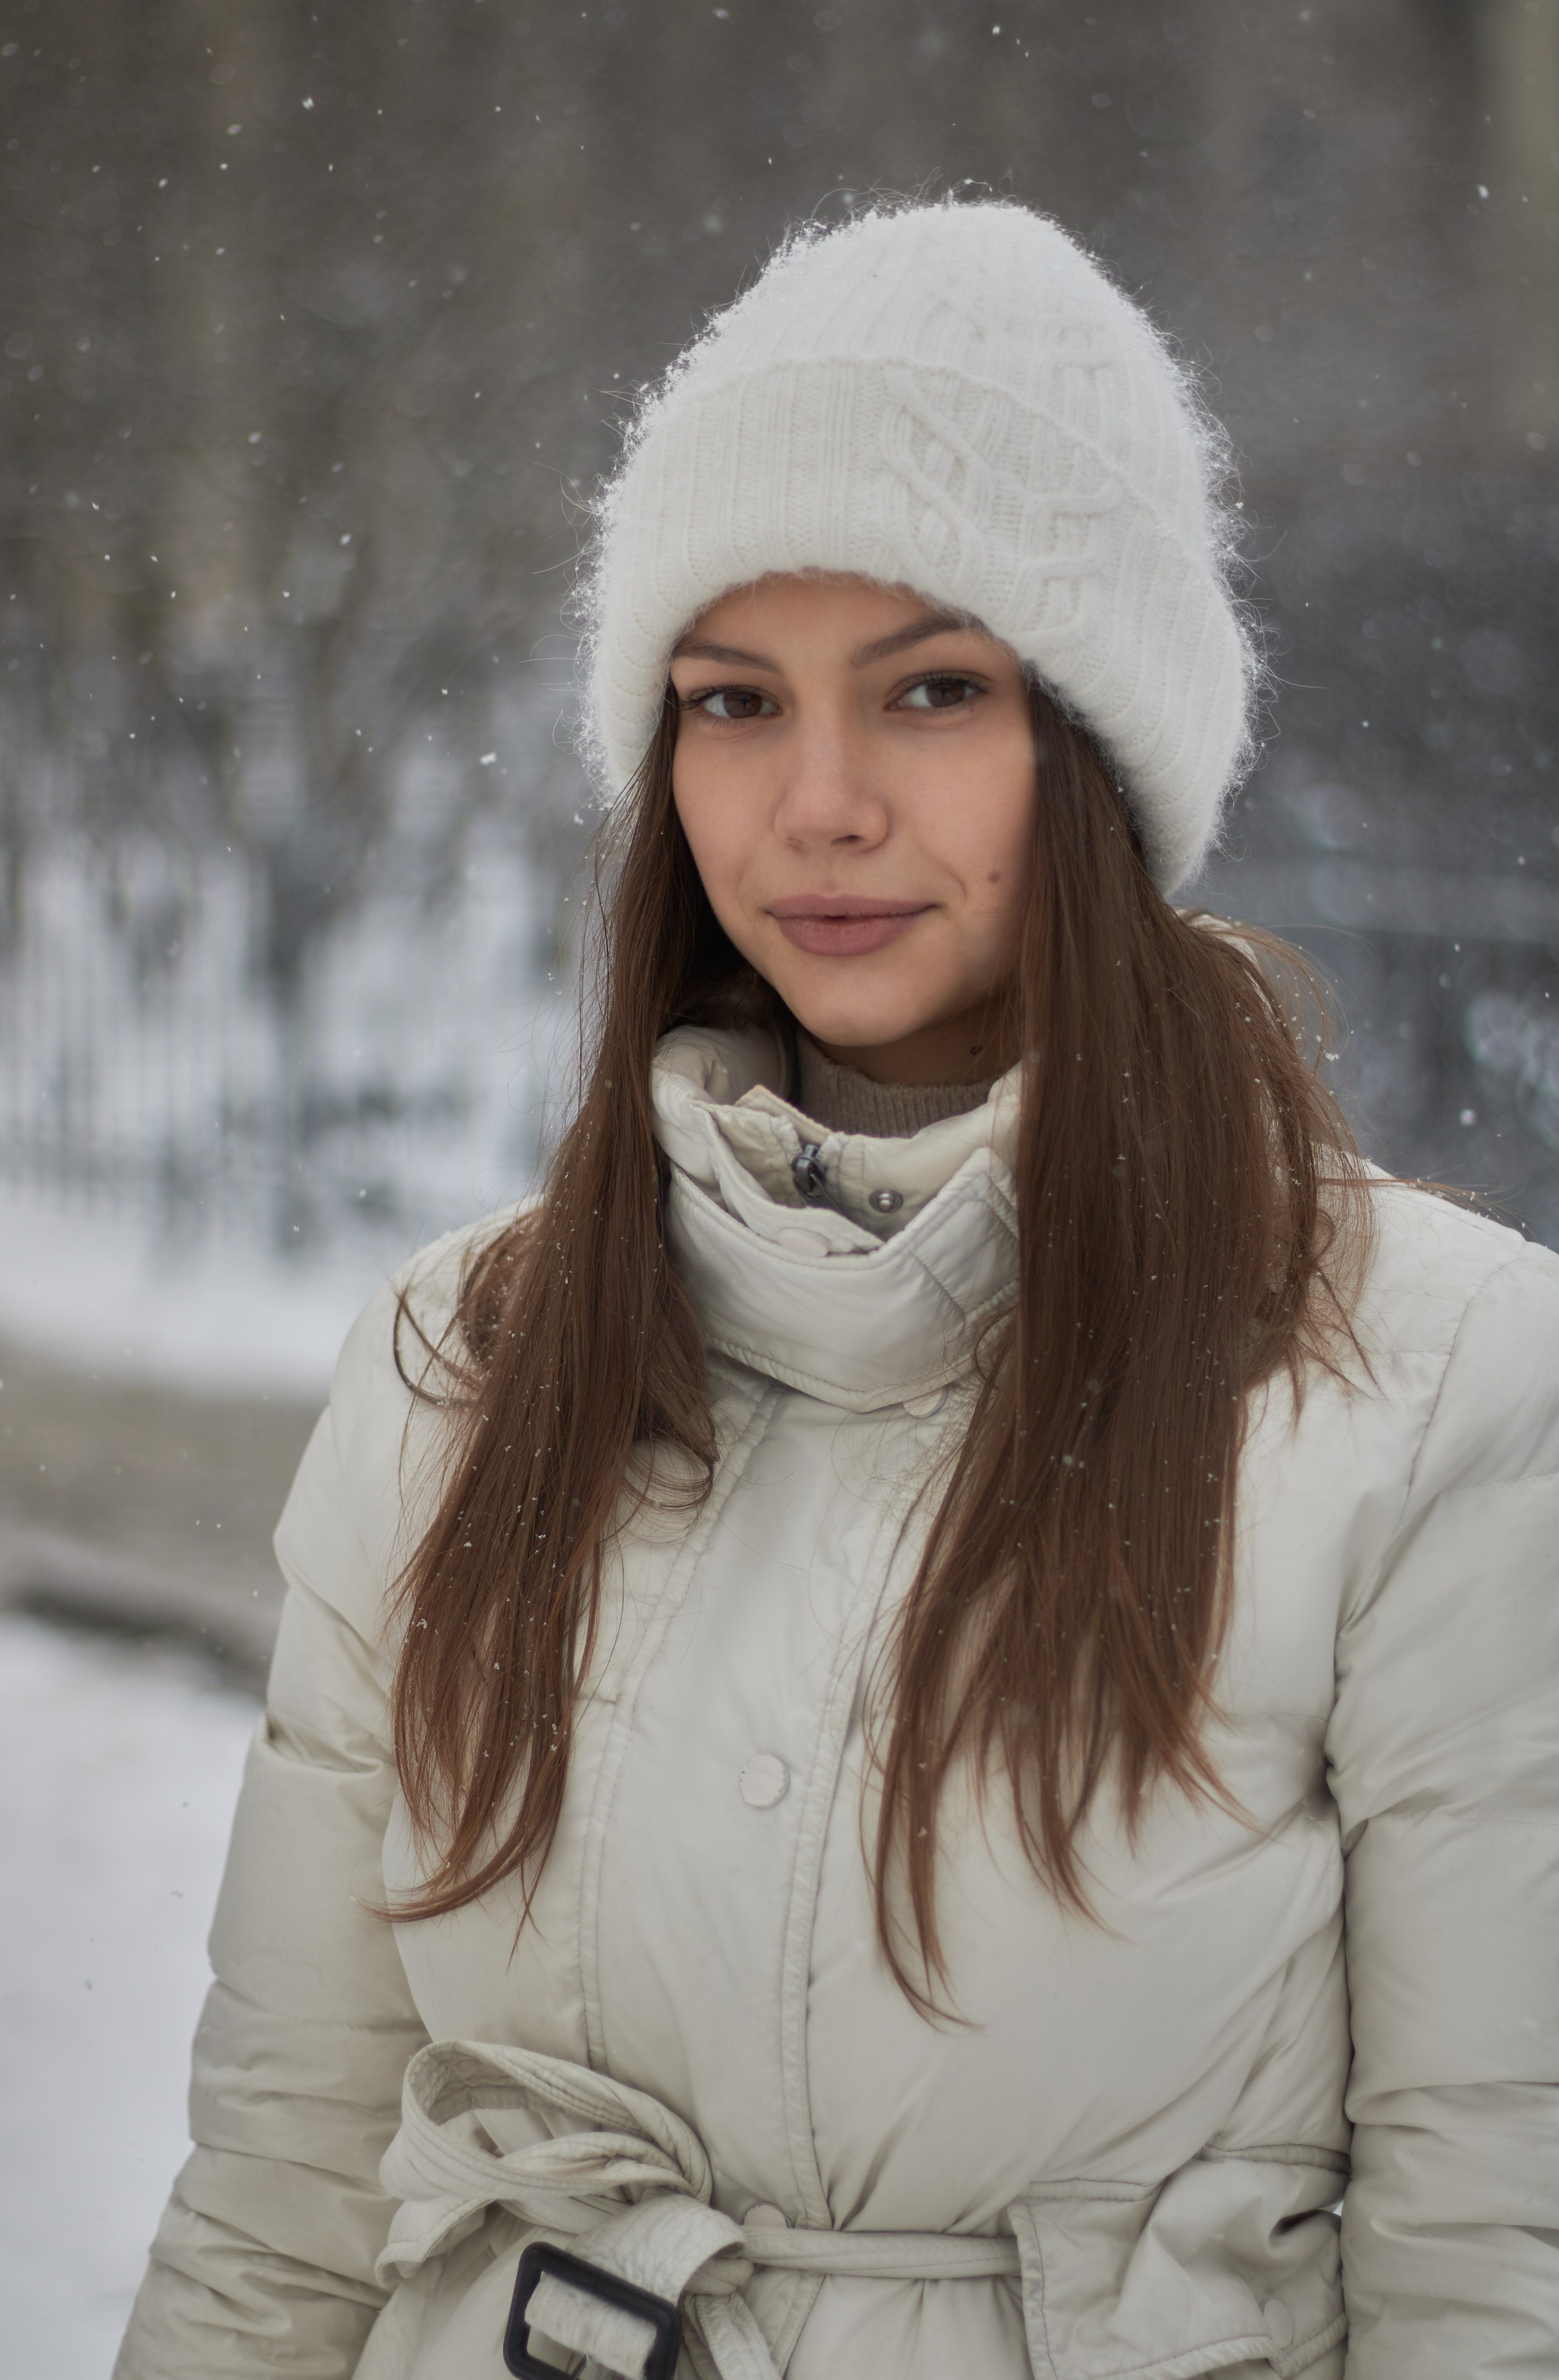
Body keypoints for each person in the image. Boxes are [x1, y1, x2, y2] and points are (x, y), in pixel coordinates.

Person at [115, 201, 1559, 2380]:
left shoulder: (1433, 1387)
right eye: (732, 700)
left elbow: (1499, 2255)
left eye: (933, 690)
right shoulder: (463, 1370)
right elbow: (279, 2202)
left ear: (1099, 745)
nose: (817, 803)